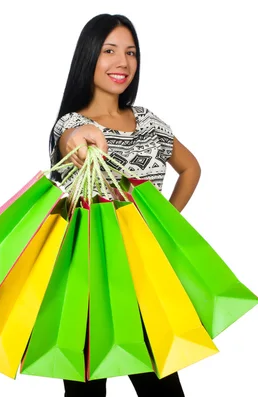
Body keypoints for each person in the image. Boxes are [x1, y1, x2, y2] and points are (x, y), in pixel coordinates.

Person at [47, 13, 202, 397]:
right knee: (86, 392)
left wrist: (161, 224)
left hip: (143, 276)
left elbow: (190, 168)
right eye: (109, 51)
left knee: (163, 387)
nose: (123, 62)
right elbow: (72, 138)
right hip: (85, 276)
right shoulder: (71, 122)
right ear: (89, 57)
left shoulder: (148, 121)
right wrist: (82, 138)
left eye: (130, 52)